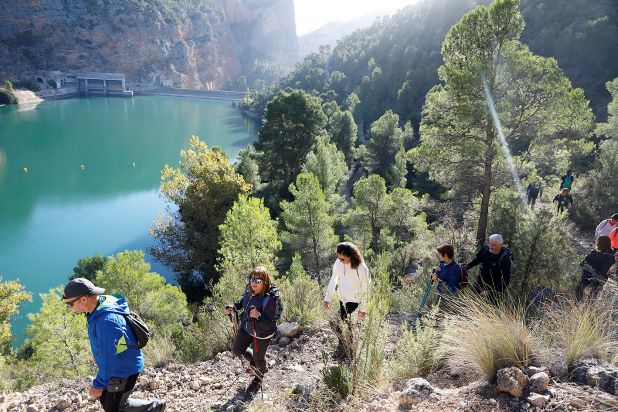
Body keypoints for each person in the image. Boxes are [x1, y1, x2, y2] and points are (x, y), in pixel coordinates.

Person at [62, 278, 165, 412]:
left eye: (70, 304)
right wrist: (97, 355)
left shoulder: (106, 321)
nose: (69, 308)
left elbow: (110, 361)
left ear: (83, 299)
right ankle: (156, 407)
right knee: (107, 401)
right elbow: (108, 346)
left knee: (114, 408)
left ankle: (156, 407)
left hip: (124, 369)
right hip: (118, 363)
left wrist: (97, 385)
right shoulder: (100, 305)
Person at [225, 266, 282, 394]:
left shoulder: (270, 300)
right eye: (252, 279)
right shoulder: (248, 289)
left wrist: (258, 316)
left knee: (259, 358)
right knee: (237, 350)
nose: (253, 283)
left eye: (258, 281)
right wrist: (235, 306)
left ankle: (258, 378)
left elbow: (269, 325)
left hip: (262, 333)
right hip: (247, 326)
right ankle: (253, 363)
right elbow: (244, 300)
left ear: (265, 282)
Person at [323, 242, 371, 359]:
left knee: (335, 322)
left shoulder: (361, 267)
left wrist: (363, 309)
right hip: (342, 298)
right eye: (338, 258)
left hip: (354, 300)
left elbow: (367, 288)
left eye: (342, 258)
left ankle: (345, 349)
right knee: (345, 324)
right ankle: (348, 351)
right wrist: (327, 298)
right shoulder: (339, 262)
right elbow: (334, 278)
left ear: (351, 256)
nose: (340, 260)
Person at [465, 234, 512, 300]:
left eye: (494, 245)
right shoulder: (485, 250)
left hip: (495, 288)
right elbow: (476, 260)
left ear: (500, 245)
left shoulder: (505, 258)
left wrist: (490, 292)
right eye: (490, 244)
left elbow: (506, 280)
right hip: (481, 281)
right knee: (469, 298)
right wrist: (464, 268)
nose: (490, 247)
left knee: (487, 308)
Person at [575, 235, 615, 300]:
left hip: (598, 277)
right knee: (581, 288)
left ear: (600, 244)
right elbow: (583, 263)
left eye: (597, 242)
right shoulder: (597, 253)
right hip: (592, 275)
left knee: (592, 293)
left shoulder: (607, 256)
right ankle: (579, 304)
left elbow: (604, 270)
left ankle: (587, 307)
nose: (596, 243)